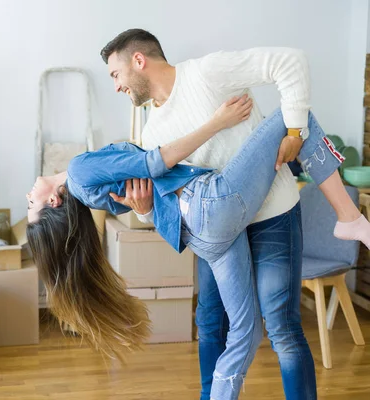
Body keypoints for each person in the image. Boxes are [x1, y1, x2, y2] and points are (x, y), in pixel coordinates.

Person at [26, 96, 370, 400]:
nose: (27, 197)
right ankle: (348, 215)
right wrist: (218, 122)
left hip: (202, 236)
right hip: (210, 207)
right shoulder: (79, 172)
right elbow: (155, 163)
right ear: (54, 201)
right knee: (296, 115)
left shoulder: (91, 196)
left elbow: (149, 191)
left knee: (245, 335)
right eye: (31, 204)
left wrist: (143, 208)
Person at [99, 29, 325, 400]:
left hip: (271, 217)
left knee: (281, 326)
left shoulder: (207, 73)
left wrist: (296, 131)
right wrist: (145, 210)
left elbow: (291, 61)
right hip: (220, 234)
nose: (116, 86)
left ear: (138, 61)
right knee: (209, 319)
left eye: (115, 74)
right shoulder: (153, 131)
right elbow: (173, 202)